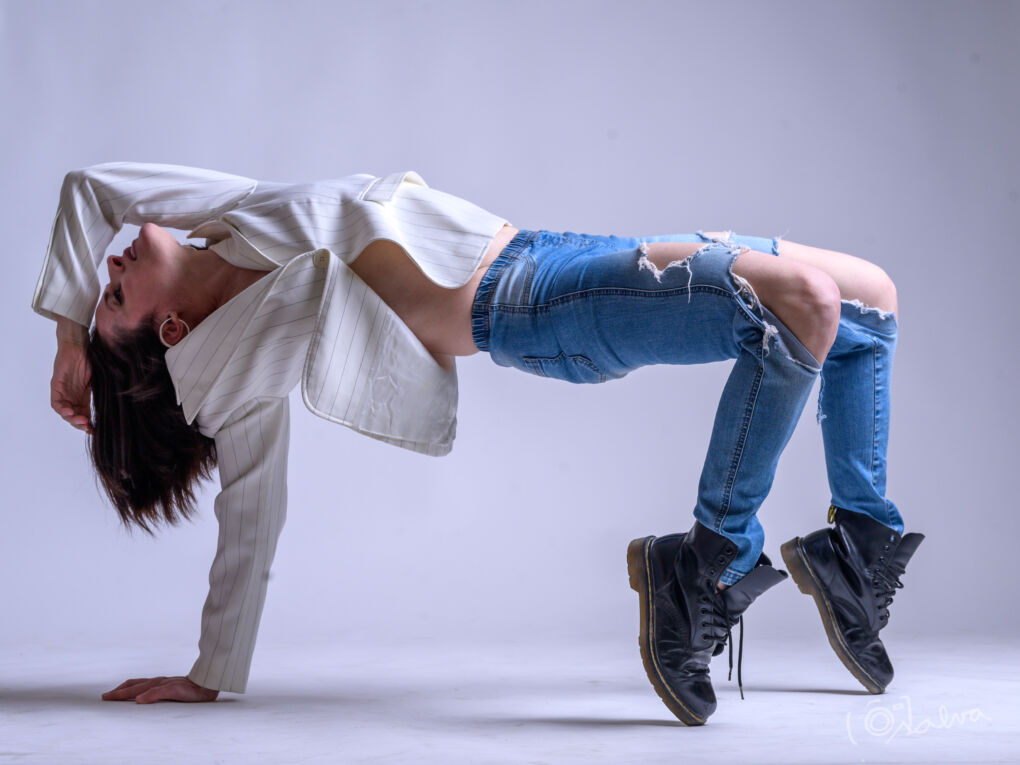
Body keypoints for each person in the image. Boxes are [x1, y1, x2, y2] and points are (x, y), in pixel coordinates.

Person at [36, 162, 924, 724]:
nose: (108, 268)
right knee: (801, 304)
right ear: (174, 329)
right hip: (537, 307)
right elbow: (251, 510)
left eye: (102, 284)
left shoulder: (232, 218)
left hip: (552, 247)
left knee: (869, 302)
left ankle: (856, 547)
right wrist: (210, 671)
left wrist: (72, 336)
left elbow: (93, 188)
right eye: (115, 298)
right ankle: (706, 561)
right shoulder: (238, 359)